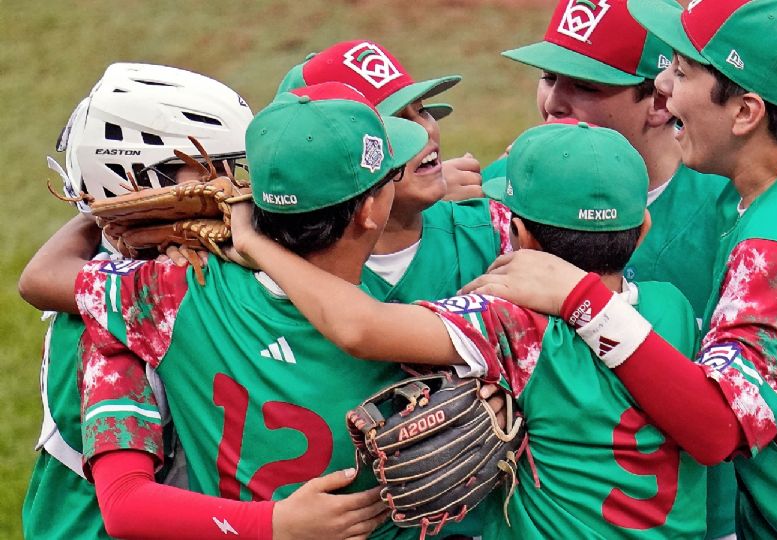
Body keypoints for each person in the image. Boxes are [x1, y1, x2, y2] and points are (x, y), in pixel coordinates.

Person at [462, 0, 777, 536]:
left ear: (746, 112)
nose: (663, 87)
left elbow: (720, 426)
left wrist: (586, 302)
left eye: (680, 70)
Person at [228, 119, 712, 538]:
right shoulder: (670, 307)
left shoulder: (512, 322)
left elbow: (359, 327)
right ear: (643, 227)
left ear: (518, 233)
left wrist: (258, 243)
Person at [71, 82, 449, 540]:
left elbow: (45, 279)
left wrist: (93, 198)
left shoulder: (167, 294)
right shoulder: (412, 325)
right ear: (369, 211)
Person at [488, 0, 735, 535]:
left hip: (698, 515)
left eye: (586, 85)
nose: (554, 101)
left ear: (659, 101)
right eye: (550, 76)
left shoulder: (732, 216)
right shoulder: (502, 191)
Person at [18, 62, 254, 539]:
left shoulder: (107, 264)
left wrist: (100, 206)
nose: (234, 187)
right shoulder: (135, 302)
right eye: (212, 168)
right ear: (137, 181)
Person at [277, 41, 511, 303]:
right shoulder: (284, 271)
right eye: (398, 121)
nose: (426, 130)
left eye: (422, 110)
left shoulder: (494, 233)